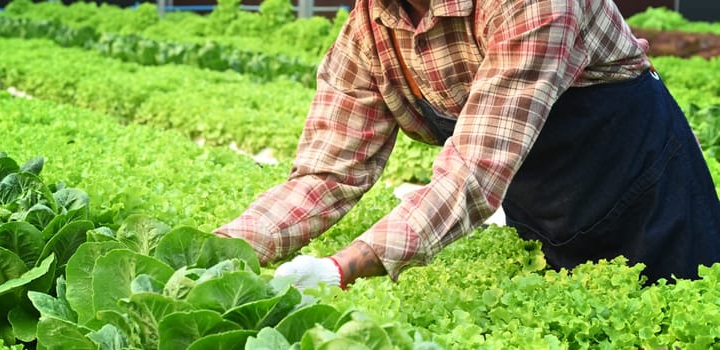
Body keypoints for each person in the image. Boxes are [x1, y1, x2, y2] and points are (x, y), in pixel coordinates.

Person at [214, 0, 720, 289]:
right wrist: (217, 252)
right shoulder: (371, 28)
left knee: (674, 314)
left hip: (649, 197)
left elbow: (472, 174)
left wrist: (341, 267)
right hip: (546, 206)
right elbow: (326, 174)